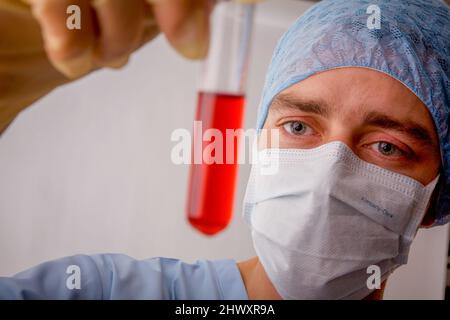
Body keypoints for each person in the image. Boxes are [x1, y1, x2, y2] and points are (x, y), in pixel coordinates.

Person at [0, 0, 449, 299]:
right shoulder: (102, 291)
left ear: (435, 196)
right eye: (297, 126)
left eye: (387, 147)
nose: (328, 174)